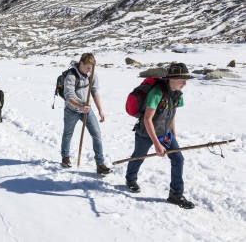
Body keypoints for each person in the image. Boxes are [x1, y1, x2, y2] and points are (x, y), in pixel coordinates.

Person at [125, 62, 195, 209]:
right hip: (146, 132)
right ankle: (130, 179)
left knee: (178, 159)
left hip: (165, 134)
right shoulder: (157, 92)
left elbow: (172, 113)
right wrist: (156, 144)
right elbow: (147, 119)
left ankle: (175, 194)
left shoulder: (177, 94)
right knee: (139, 156)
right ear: (173, 78)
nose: (185, 84)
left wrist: (173, 132)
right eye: (183, 80)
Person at [60, 53, 110, 174]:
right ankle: (65, 157)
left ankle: (100, 164)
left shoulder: (91, 74)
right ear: (81, 63)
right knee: (68, 134)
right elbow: (69, 96)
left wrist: (100, 110)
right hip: (71, 110)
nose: (90, 70)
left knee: (96, 134)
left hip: (87, 110)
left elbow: (95, 92)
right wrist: (80, 106)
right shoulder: (71, 76)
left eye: (92, 68)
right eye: (88, 67)